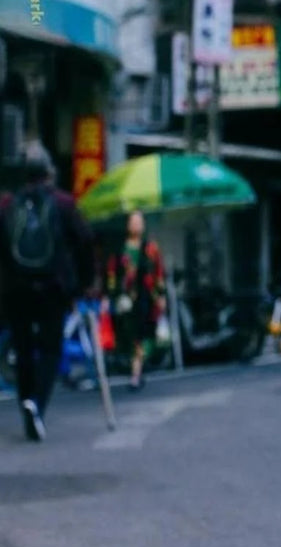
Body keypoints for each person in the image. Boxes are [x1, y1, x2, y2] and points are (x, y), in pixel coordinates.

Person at [0, 141, 95, 441]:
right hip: (53, 290)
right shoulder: (64, 204)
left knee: (23, 349)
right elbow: (85, 243)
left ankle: (26, 401)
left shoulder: (6, 206)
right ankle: (37, 406)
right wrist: (84, 284)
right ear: (49, 172)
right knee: (51, 349)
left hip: (14, 291)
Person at [104, 210, 167, 390]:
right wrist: (111, 295)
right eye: (133, 222)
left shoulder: (151, 249)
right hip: (127, 300)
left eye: (139, 222)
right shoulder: (120, 249)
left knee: (147, 335)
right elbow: (112, 274)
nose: (136, 225)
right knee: (132, 335)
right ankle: (136, 372)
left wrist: (161, 295)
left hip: (147, 298)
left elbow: (159, 273)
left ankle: (137, 370)